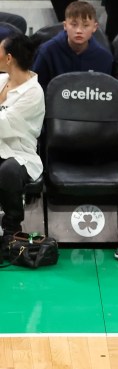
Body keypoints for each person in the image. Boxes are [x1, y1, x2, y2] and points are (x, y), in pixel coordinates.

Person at [0, 34, 44, 248]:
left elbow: (4, 125)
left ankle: (11, 228)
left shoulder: (33, 93)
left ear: (9, 58)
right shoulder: (1, 80)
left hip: (20, 154)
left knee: (8, 169)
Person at [33, 1, 114, 90]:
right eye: (74, 25)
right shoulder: (46, 52)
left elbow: (106, 92)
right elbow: (36, 88)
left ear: (94, 27)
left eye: (85, 25)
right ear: (65, 25)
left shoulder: (104, 58)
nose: (79, 30)